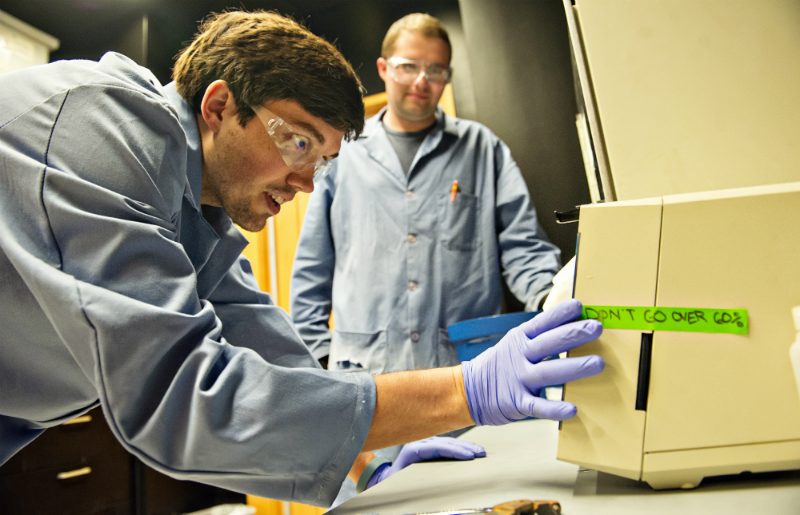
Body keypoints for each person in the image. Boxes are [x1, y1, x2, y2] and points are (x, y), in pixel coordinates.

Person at [0, 9, 604, 508]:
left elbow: (267, 347)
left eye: (322, 160)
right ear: (217, 106)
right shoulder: (101, 126)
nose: (308, 183)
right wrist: (466, 390)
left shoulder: (196, 212)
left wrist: (369, 462)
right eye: (298, 143)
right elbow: (188, 396)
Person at [290, 13, 562, 376]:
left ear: (447, 78)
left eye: (436, 70)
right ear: (384, 68)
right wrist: (318, 357)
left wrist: (552, 300)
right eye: (408, 66)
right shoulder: (343, 152)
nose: (422, 81)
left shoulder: (482, 149)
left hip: (466, 375)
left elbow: (523, 246)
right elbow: (312, 267)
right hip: (365, 375)